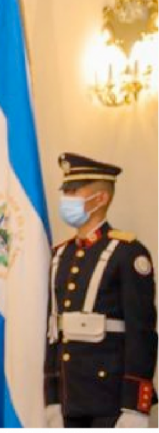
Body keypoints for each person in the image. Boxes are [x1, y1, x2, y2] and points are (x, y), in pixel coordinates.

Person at [44, 152, 157, 429]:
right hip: (71, 399)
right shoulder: (60, 255)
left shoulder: (127, 253)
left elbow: (141, 333)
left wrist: (135, 406)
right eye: (65, 191)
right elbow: (54, 332)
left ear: (101, 198)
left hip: (110, 401)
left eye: (74, 191)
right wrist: (53, 397)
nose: (66, 198)